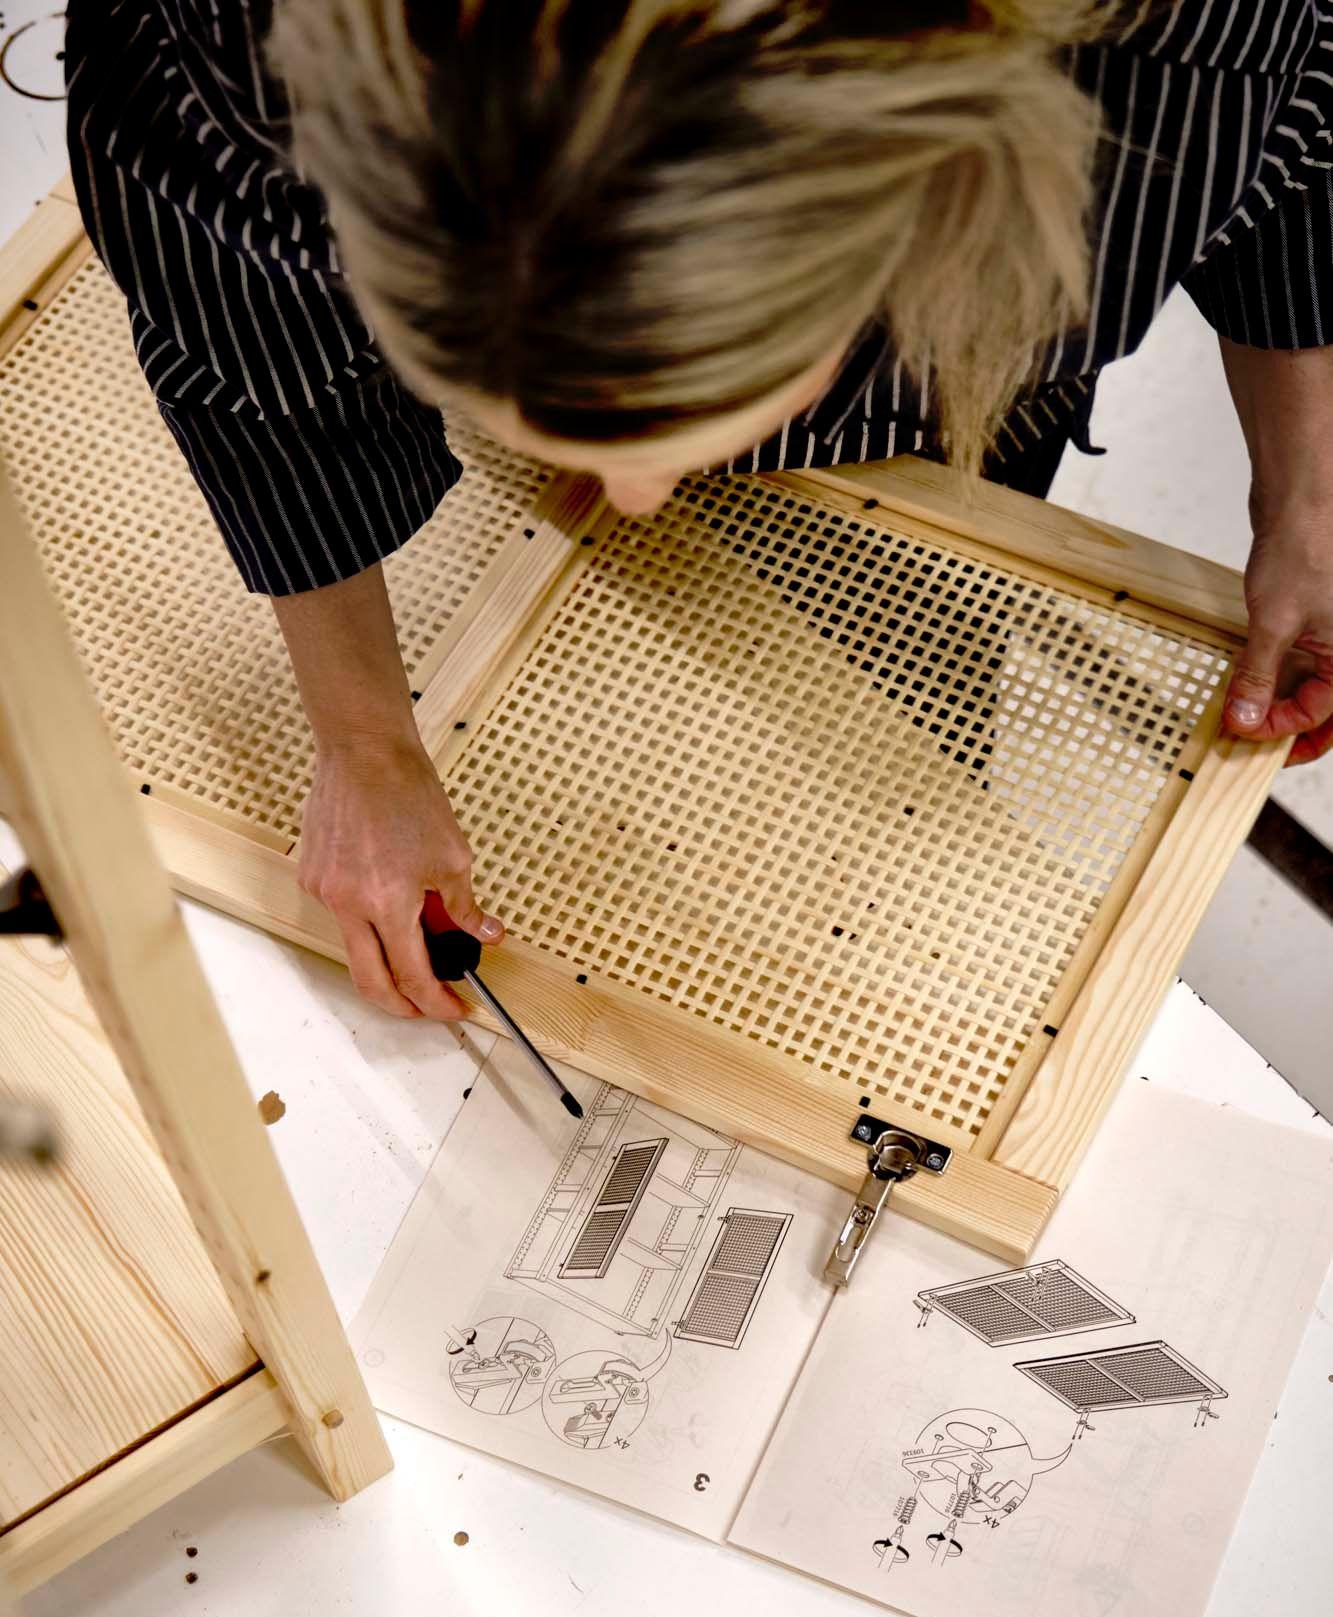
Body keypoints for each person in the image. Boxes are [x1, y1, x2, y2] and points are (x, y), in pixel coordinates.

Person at [66, 1, 1333, 1024]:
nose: (631, 504)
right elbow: (249, 358)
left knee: (896, 778)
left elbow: (1304, 131)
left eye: (688, 421)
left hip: (941, 444)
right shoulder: (224, 47)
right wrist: (363, 747)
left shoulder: (1171, 33)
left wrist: (1308, 499)